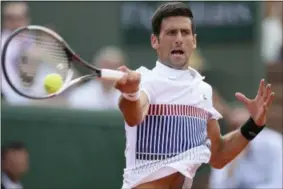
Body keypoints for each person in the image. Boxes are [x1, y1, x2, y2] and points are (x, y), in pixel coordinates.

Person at [112, 2, 275, 189]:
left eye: (185, 32)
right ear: (155, 41)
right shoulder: (147, 81)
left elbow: (218, 156)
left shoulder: (203, 91)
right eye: (171, 33)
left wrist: (254, 124)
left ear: (194, 41)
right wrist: (131, 94)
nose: (179, 39)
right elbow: (133, 116)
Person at [209, 107, 282, 189]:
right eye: (235, 127)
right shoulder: (225, 147)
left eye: (246, 126)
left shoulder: (273, 142)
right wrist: (232, 164)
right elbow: (217, 186)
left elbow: (279, 184)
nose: (241, 131)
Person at [68, 46, 126, 110]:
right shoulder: (80, 95)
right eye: (106, 66)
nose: (110, 71)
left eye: (114, 67)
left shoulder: (132, 96)